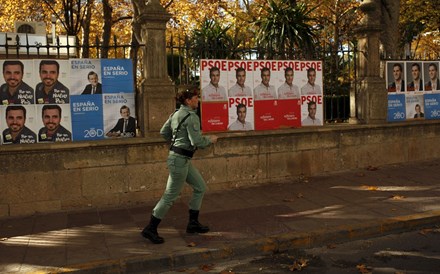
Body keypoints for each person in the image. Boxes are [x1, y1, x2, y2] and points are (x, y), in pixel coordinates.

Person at [141, 88, 218, 244]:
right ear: (188, 101)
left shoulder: (175, 114)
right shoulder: (192, 117)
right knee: (170, 196)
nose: (198, 100)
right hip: (179, 160)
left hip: (180, 159)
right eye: (196, 98)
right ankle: (150, 228)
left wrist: (176, 143)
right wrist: (210, 140)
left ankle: (193, 223)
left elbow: (164, 132)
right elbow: (197, 142)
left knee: (200, 187)